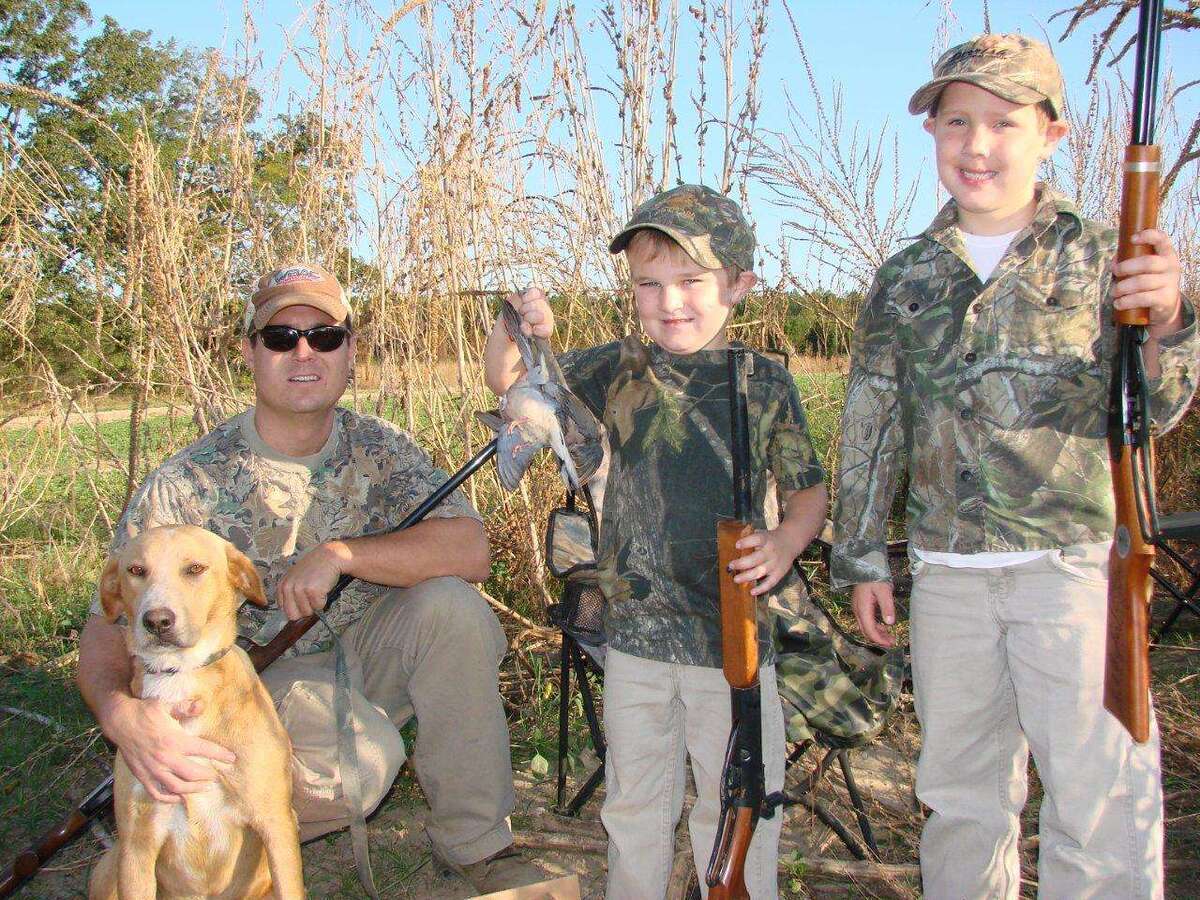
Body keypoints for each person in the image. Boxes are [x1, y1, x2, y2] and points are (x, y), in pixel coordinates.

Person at [832, 34, 1198, 899]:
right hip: (948, 578)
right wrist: (860, 558)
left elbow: (1157, 408)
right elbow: (870, 426)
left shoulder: (1107, 256)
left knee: (1099, 800)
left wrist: (1171, 321)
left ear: (1052, 135)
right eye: (957, 121)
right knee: (961, 798)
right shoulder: (905, 277)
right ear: (932, 133)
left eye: (1004, 122)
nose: (978, 144)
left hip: (1072, 574)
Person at [77, 263, 544, 893]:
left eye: (324, 337)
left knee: (453, 608)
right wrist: (122, 717)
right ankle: (212, 840)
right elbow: (106, 630)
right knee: (360, 767)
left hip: (362, 656)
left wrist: (342, 555)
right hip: (249, 687)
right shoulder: (186, 483)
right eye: (281, 337)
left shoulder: (379, 446)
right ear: (250, 353)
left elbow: (470, 549)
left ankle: (477, 846)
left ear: (349, 352)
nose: (304, 353)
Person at [484, 185, 829, 899]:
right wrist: (520, 328)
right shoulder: (617, 369)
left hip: (732, 643)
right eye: (649, 284)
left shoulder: (761, 381)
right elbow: (511, 382)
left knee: (739, 815)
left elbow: (808, 493)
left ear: (739, 285)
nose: (670, 302)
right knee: (634, 810)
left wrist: (786, 541)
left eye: (691, 280)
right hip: (634, 641)